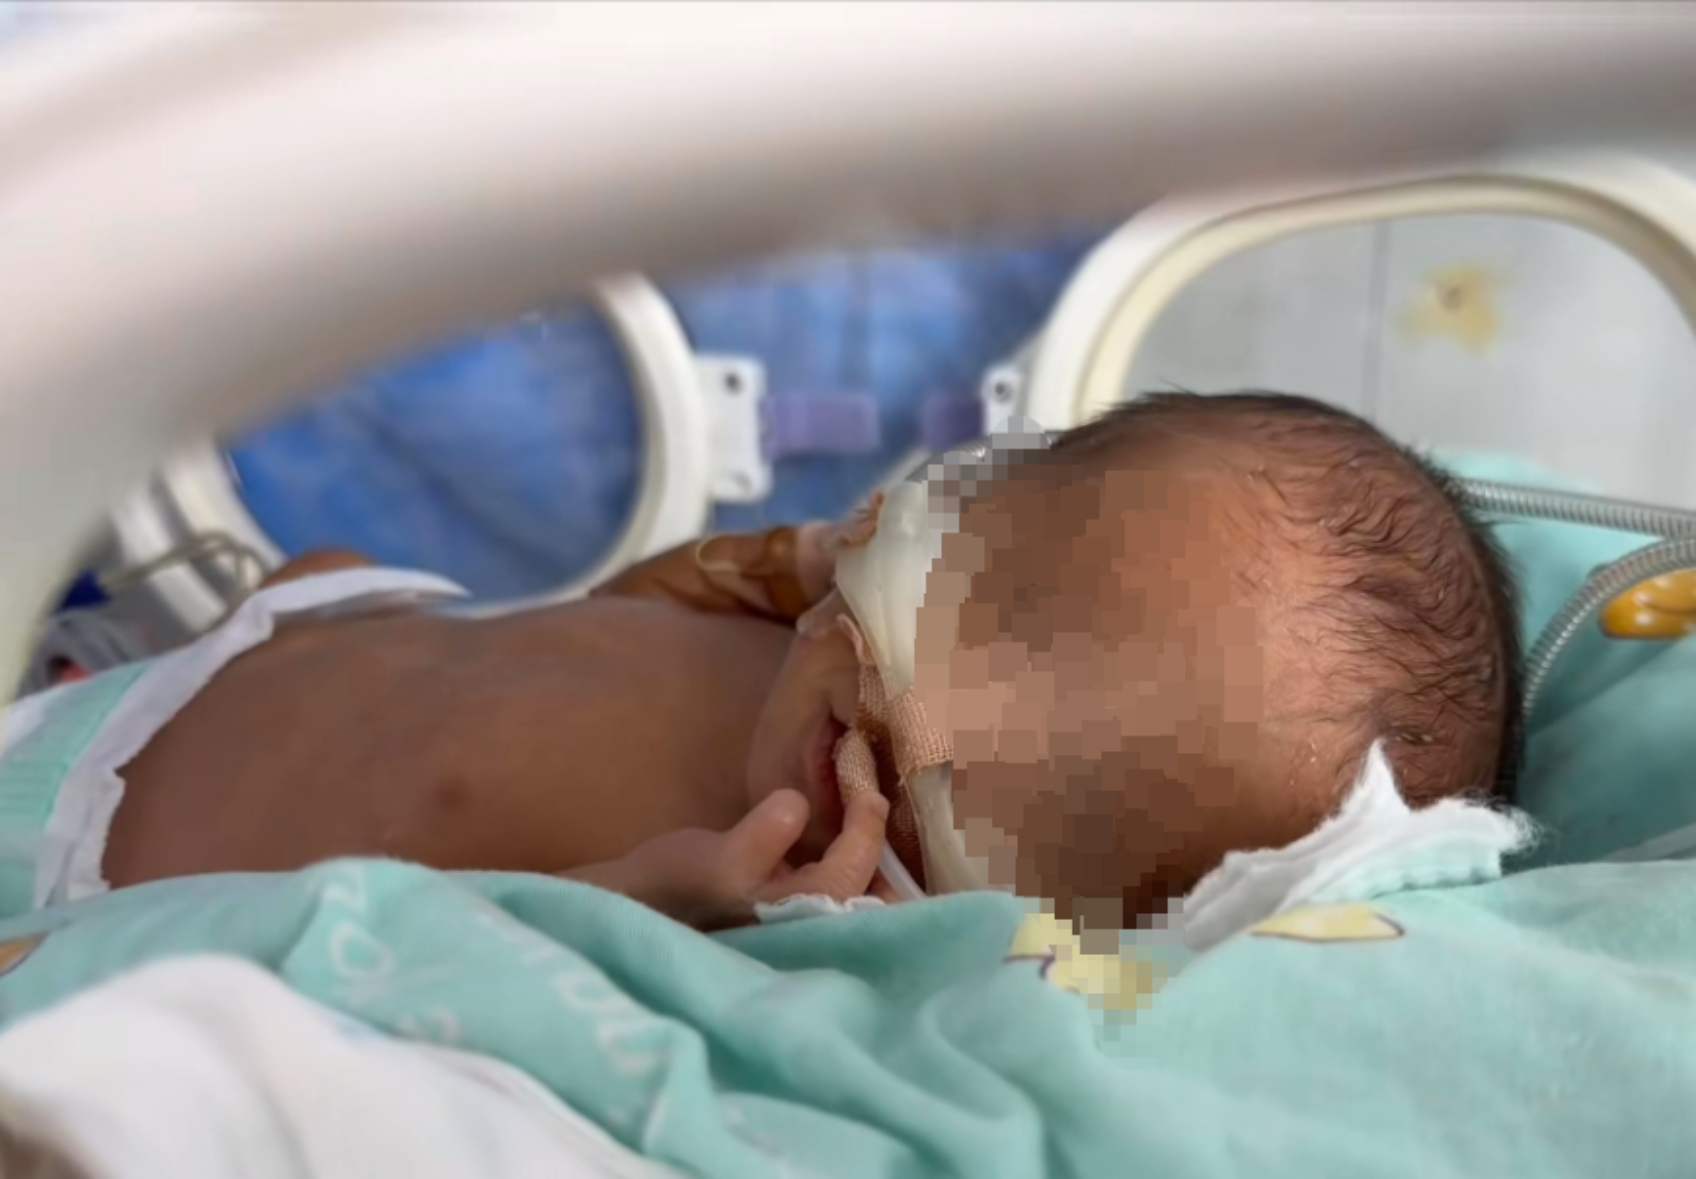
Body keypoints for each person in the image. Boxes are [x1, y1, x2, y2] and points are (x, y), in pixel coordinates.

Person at [2, 391, 1522, 931]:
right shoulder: (797, 609)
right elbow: (605, 625)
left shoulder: (760, 903)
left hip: (96, 868)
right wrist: (727, 571)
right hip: (253, 654)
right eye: (1005, 613)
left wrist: (641, 904)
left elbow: (432, 961)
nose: (916, 721)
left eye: (1031, 806)